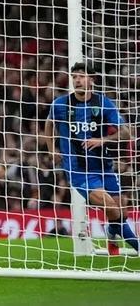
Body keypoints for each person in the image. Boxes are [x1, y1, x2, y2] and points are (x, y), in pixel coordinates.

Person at [45, 62, 138, 255]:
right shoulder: (61, 104)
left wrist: (102, 139)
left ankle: (111, 232)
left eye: (81, 76)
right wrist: (51, 149)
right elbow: (49, 123)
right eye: (74, 77)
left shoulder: (103, 103)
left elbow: (126, 133)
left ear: (91, 79)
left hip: (104, 166)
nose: (77, 80)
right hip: (79, 170)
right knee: (112, 208)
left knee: (121, 211)